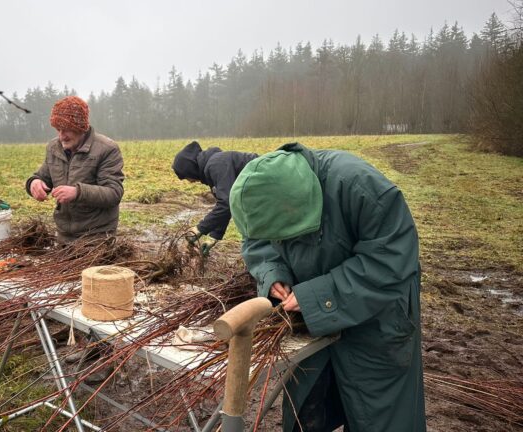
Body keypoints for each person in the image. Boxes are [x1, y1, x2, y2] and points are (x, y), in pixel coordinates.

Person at [229, 142, 425, 432]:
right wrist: (274, 273)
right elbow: (257, 238)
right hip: (313, 325)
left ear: (299, 203)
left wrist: (316, 297)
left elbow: (390, 261)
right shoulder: (265, 193)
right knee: (307, 410)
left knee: (379, 418)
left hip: (376, 327)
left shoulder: (361, 188)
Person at [26, 96, 124, 243]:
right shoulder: (54, 148)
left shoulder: (107, 149)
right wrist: (34, 183)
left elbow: (114, 193)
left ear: (81, 128)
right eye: (58, 129)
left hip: (97, 238)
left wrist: (78, 192)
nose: (61, 136)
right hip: (64, 236)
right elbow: (42, 176)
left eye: (66, 130)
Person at [171, 141, 258, 255]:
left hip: (269, 187)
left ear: (190, 168)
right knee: (253, 241)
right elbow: (226, 205)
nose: (191, 182)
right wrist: (214, 236)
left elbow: (226, 204)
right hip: (260, 196)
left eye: (187, 177)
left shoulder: (216, 164)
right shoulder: (213, 167)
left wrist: (200, 229)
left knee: (255, 243)